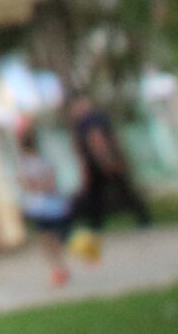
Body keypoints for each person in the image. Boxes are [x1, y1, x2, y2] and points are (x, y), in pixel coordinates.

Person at [67, 90, 153, 252]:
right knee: (104, 191)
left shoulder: (88, 120)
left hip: (100, 162)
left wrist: (105, 160)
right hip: (106, 159)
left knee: (112, 190)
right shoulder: (98, 118)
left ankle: (139, 219)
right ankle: (99, 223)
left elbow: (97, 140)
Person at [14, 121, 74, 287]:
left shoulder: (34, 163)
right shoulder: (35, 163)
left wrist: (34, 185)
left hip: (47, 207)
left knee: (52, 240)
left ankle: (59, 267)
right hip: (41, 207)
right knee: (47, 239)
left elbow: (40, 185)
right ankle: (58, 269)